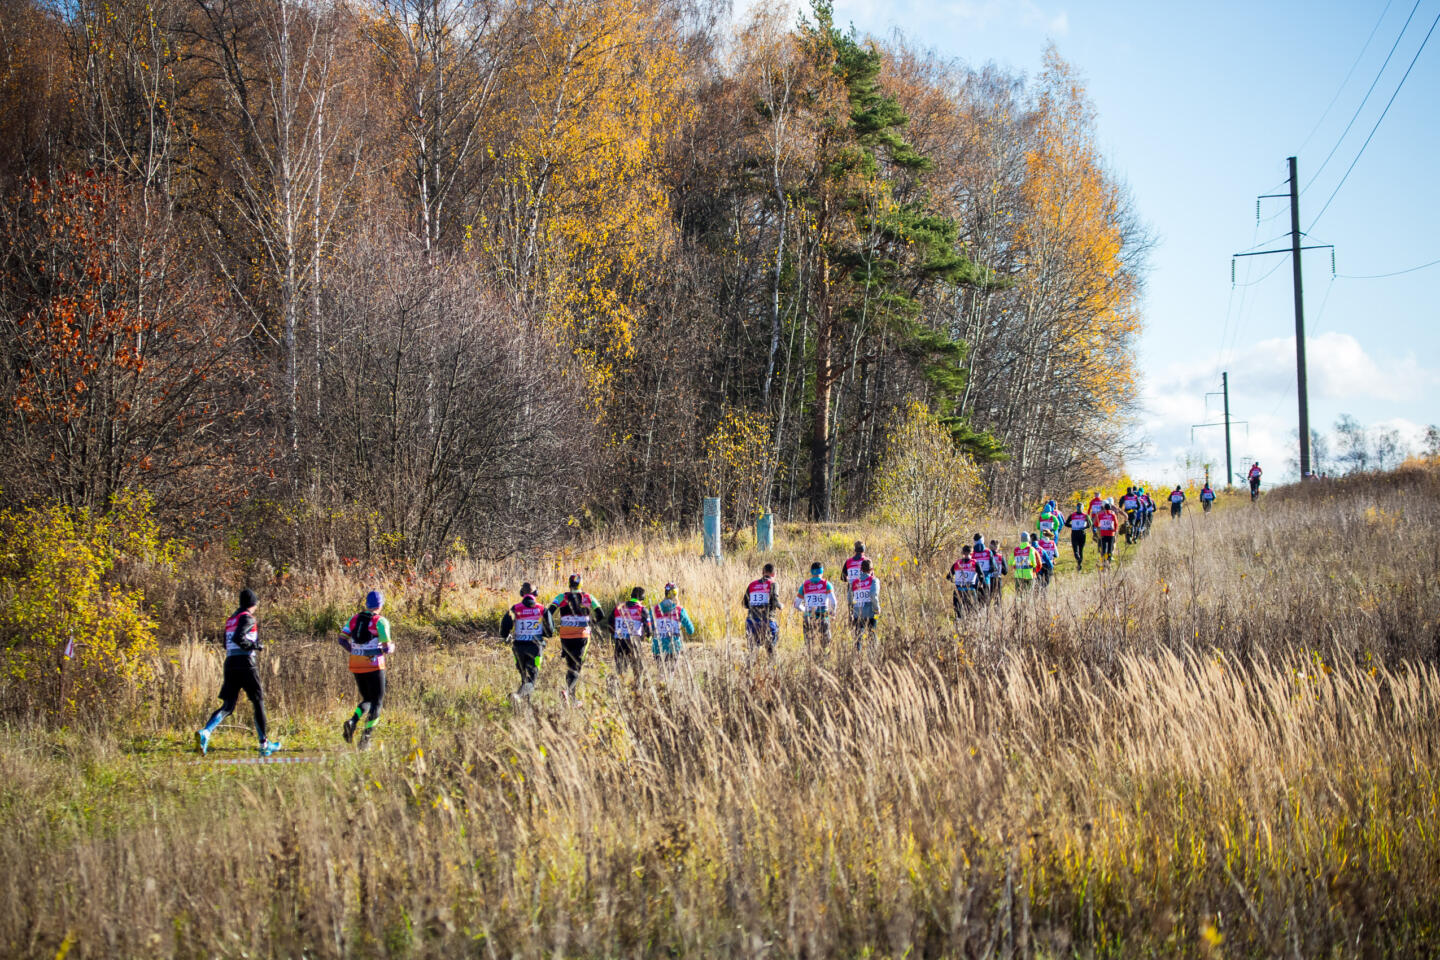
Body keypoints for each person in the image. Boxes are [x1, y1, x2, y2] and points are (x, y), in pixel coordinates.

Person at [196, 588, 280, 757]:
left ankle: (206, 732)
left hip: (230, 663)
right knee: (258, 701)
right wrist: (256, 646)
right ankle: (264, 744)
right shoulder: (247, 617)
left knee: (228, 706)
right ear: (253, 604)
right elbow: (238, 639)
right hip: (246, 663)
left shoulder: (230, 620)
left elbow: (227, 644)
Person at [338, 590, 395, 747]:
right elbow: (386, 647)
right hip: (374, 666)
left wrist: (355, 651)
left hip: (356, 664)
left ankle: (352, 721)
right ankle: (365, 739)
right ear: (381, 605)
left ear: (366, 604)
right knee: (377, 702)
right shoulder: (380, 621)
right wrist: (391, 648)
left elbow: (342, 639)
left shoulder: (354, 619)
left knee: (367, 700)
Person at [547, 574, 606, 701]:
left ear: (569, 584)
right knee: (577, 666)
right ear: (581, 584)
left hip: (565, 636)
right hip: (582, 635)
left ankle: (572, 698)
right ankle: (567, 692)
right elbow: (601, 614)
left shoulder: (562, 597)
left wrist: (550, 628)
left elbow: (549, 612)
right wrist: (592, 623)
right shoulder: (588, 597)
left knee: (570, 666)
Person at [500, 583, 553, 701]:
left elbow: (504, 628)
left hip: (518, 648)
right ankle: (517, 696)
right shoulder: (541, 609)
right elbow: (550, 631)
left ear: (521, 593)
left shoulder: (515, 608)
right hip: (535, 648)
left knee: (524, 677)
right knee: (531, 679)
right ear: (536, 594)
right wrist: (541, 632)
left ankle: (524, 706)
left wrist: (507, 635)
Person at [794, 562, 837, 651]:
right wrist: (833, 613)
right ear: (822, 571)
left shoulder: (805, 585)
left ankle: (810, 660)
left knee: (809, 645)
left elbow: (796, 604)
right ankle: (825, 660)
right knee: (826, 644)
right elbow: (834, 602)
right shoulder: (826, 584)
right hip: (823, 617)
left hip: (808, 618)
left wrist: (805, 610)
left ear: (811, 572)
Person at [609, 587, 652, 677]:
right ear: (642, 598)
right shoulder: (642, 609)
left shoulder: (619, 607)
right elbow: (648, 628)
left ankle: (620, 686)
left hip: (619, 640)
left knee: (620, 669)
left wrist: (614, 634)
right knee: (638, 669)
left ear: (631, 595)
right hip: (634, 641)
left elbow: (609, 622)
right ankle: (637, 688)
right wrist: (648, 635)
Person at [743, 563, 782, 657]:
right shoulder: (773, 584)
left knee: (752, 653)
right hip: (767, 622)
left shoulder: (752, 585)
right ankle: (772, 670)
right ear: (774, 574)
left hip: (751, 622)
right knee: (771, 652)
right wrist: (781, 606)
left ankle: (750, 670)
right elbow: (775, 601)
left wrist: (755, 607)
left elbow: (745, 604)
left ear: (762, 572)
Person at [651, 582, 695, 665]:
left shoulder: (655, 609)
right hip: (673, 647)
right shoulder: (680, 610)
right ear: (676, 594)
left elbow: (649, 627)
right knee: (670, 673)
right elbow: (691, 630)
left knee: (661, 672)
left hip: (657, 647)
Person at [848, 559, 880, 651]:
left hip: (858, 613)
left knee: (858, 636)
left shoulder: (854, 582)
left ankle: (858, 656)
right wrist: (877, 608)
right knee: (872, 635)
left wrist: (851, 610)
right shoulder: (873, 580)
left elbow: (850, 598)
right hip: (871, 612)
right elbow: (874, 595)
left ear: (861, 569)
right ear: (872, 569)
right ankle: (873, 656)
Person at [948, 545, 981, 615]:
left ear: (962, 552)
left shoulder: (957, 563)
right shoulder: (975, 563)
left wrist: (953, 579)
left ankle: (959, 625)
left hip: (958, 591)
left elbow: (948, 576)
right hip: (970, 590)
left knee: (958, 613)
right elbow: (982, 576)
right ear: (971, 553)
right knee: (972, 613)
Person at [842, 541, 869, 610]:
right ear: (864, 549)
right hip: (864, 590)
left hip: (851, 590)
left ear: (855, 550)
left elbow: (843, 577)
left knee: (852, 613)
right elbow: (872, 577)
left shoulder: (848, 561)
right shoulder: (867, 560)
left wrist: (851, 580)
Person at [1094, 502, 1120, 569]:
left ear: (1104, 508)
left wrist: (1100, 527)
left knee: (1104, 549)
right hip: (1111, 534)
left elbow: (1096, 524)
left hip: (1103, 534)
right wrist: (1115, 530)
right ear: (1110, 508)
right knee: (1110, 549)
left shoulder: (1100, 515)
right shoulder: (1113, 515)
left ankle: (1104, 562)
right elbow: (1116, 524)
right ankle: (1109, 563)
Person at [971, 534, 996, 601]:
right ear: (983, 540)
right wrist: (988, 572)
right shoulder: (988, 552)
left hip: (974, 581)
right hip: (986, 580)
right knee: (986, 602)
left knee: (975, 603)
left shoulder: (972, 553)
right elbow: (994, 567)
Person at [1065, 503, 1090, 569]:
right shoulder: (1085, 515)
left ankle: (1078, 560)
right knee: (1081, 550)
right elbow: (1090, 524)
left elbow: (1066, 524)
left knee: (1075, 550)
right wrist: (1084, 527)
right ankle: (1079, 564)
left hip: (1074, 533)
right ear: (1082, 508)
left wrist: (1072, 526)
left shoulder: (1072, 515)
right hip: (1082, 533)